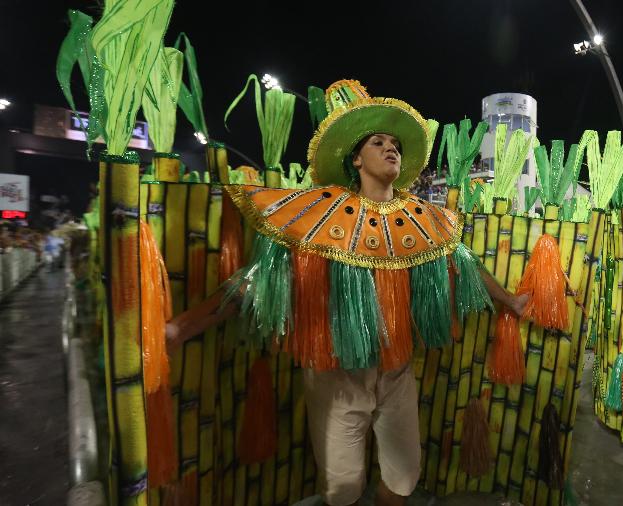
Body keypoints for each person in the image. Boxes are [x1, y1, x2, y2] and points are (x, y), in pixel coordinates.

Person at [165, 80, 528, 506]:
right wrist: (181, 328)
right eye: (378, 142)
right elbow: (257, 280)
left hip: (397, 373)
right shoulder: (319, 214)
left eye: (395, 144)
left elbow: (466, 266)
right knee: (342, 488)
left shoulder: (422, 217)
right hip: (336, 374)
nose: (391, 148)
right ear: (357, 158)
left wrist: (511, 301)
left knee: (404, 477)